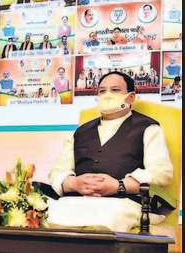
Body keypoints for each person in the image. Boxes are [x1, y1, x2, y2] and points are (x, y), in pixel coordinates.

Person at [46, 71, 173, 233]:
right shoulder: (80, 132)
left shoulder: (148, 128)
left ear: (131, 97)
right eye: (102, 91)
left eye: (115, 90)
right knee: (46, 214)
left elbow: (162, 173)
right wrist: (75, 183)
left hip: (125, 202)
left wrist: (118, 186)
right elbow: (57, 171)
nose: (107, 95)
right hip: (80, 201)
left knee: (109, 218)